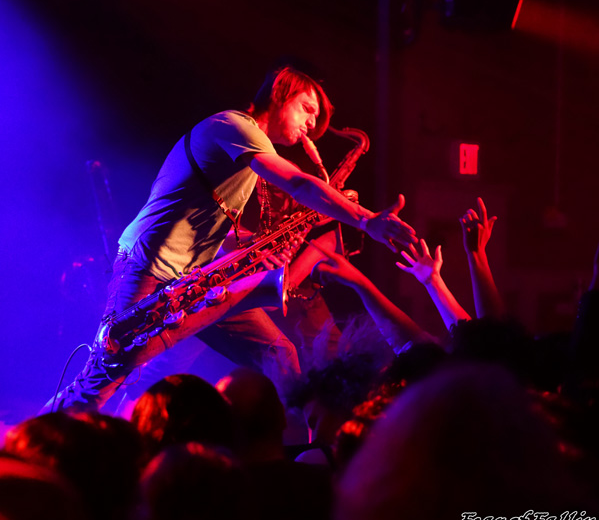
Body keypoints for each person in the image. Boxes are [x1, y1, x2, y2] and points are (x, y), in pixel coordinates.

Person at [45, 66, 418, 412]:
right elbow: (299, 183)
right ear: (280, 93)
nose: (311, 123)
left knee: (279, 353)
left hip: (191, 284)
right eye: (307, 109)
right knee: (104, 376)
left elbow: (211, 235)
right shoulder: (235, 126)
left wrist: (256, 253)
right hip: (149, 266)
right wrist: (367, 220)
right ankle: (41, 440)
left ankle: (289, 450)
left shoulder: (247, 156)